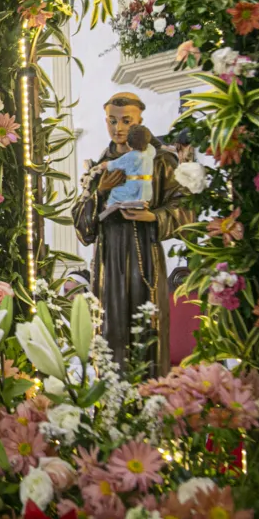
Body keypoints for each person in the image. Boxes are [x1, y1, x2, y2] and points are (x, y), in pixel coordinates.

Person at [72, 93, 193, 376]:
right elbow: (81, 226)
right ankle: (112, 406)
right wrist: (100, 192)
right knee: (110, 332)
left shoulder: (160, 160)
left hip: (143, 256)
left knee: (145, 334)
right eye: (112, 121)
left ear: (139, 121)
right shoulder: (100, 166)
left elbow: (186, 206)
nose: (119, 128)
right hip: (108, 262)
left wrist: (155, 216)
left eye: (127, 120)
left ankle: (148, 408)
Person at [98, 124, 156, 208]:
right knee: (140, 194)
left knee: (115, 191)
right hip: (147, 187)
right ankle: (140, 202)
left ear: (128, 143)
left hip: (134, 187)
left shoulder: (131, 156)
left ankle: (110, 205)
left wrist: (106, 165)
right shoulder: (150, 152)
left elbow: (116, 163)